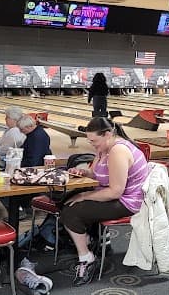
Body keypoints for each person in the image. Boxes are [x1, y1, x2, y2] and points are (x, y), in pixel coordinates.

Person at [60, 117, 150, 286]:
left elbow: (116, 191)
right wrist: (82, 173)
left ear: (108, 134)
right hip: (112, 194)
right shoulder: (104, 148)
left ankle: (87, 258)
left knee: (71, 211)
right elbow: (95, 174)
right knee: (65, 202)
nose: (92, 144)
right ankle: (94, 240)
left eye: (94, 140)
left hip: (128, 202)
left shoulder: (118, 151)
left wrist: (84, 196)